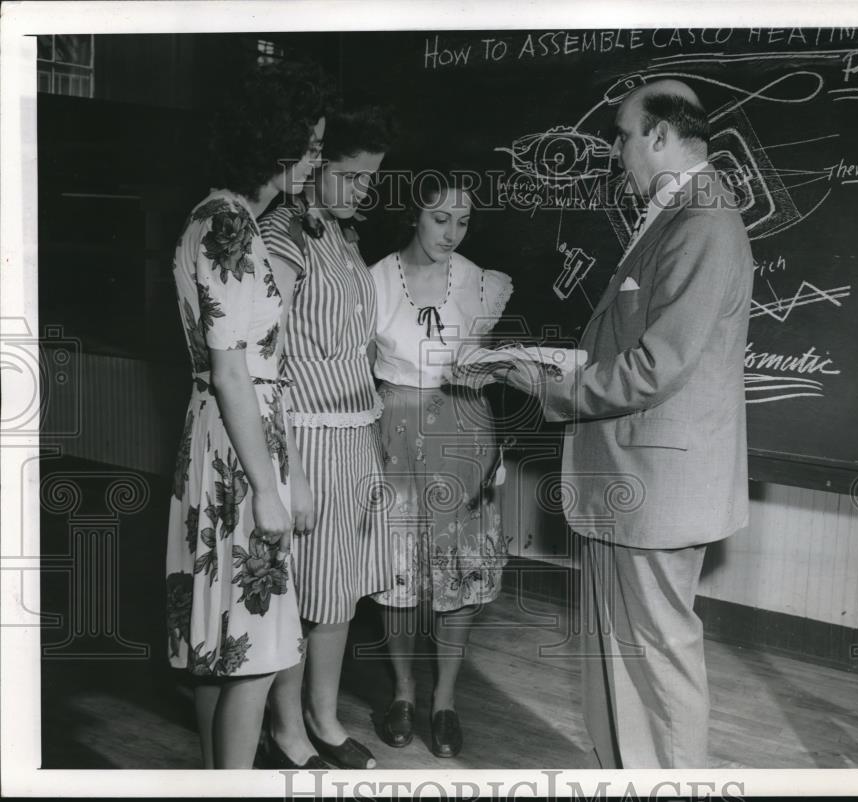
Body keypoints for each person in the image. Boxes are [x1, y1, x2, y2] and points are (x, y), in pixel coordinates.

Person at [499, 79, 753, 768]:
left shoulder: (703, 221)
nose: (615, 152)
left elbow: (655, 367)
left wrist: (553, 387)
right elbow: (635, 344)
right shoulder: (676, 214)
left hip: (657, 483)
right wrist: (554, 360)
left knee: (658, 657)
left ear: (663, 137)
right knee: (619, 650)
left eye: (622, 135)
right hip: (634, 475)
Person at [164, 61, 327, 770]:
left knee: (220, 645)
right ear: (278, 147)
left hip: (223, 435)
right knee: (257, 652)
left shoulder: (217, 216)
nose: (318, 159)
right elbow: (236, 372)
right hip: (238, 446)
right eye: (313, 146)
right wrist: (268, 487)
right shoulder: (230, 223)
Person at [258, 105, 396, 770]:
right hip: (306, 440)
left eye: (371, 179)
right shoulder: (281, 236)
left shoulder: (343, 236)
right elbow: (260, 362)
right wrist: (289, 471)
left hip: (354, 436)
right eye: (351, 175)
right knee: (297, 597)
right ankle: (286, 732)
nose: (362, 191)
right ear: (313, 166)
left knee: (337, 595)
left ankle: (324, 718)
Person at [368, 172, 513, 758]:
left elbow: (487, 368)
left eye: (463, 221)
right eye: (439, 219)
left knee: (458, 579)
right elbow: (357, 371)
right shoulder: (374, 281)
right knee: (397, 578)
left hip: (463, 435)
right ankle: (403, 692)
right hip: (394, 438)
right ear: (413, 215)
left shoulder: (480, 282)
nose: (451, 233)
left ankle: (444, 700)